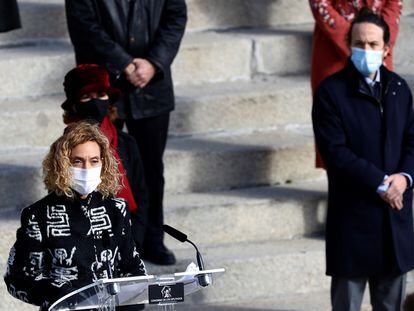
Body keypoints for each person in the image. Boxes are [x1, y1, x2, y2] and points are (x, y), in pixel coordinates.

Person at [65, 0, 188, 266]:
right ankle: (104, 244)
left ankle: (153, 238)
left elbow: (175, 16)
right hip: (102, 88)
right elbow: (83, 24)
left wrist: (155, 62)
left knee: (152, 169)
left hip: (152, 86)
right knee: (98, 170)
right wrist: (124, 63)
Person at [312, 9, 414, 310]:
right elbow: (336, 153)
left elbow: (412, 140)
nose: (365, 51)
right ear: (348, 44)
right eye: (359, 43)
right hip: (353, 221)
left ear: (386, 49)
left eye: (372, 45)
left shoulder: (398, 89)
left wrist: (404, 179)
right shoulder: (331, 92)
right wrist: (382, 184)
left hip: (394, 222)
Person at [4, 122, 146, 310]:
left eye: (94, 160)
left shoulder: (116, 209)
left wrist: (132, 301)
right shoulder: (38, 215)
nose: (87, 168)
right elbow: (18, 279)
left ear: (104, 163)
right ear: (62, 164)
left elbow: (133, 266)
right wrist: (61, 295)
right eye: (78, 161)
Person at [61, 63, 149, 253]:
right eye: (86, 97)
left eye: (101, 95)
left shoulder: (126, 143)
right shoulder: (64, 148)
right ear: (75, 105)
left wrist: (135, 241)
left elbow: (141, 193)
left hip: (127, 237)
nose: (95, 102)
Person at [309, 0, 402, 168]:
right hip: (334, 51)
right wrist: (354, 42)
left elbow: (393, 4)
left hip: (377, 50)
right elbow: (321, 4)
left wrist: (379, 40)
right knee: (336, 124)